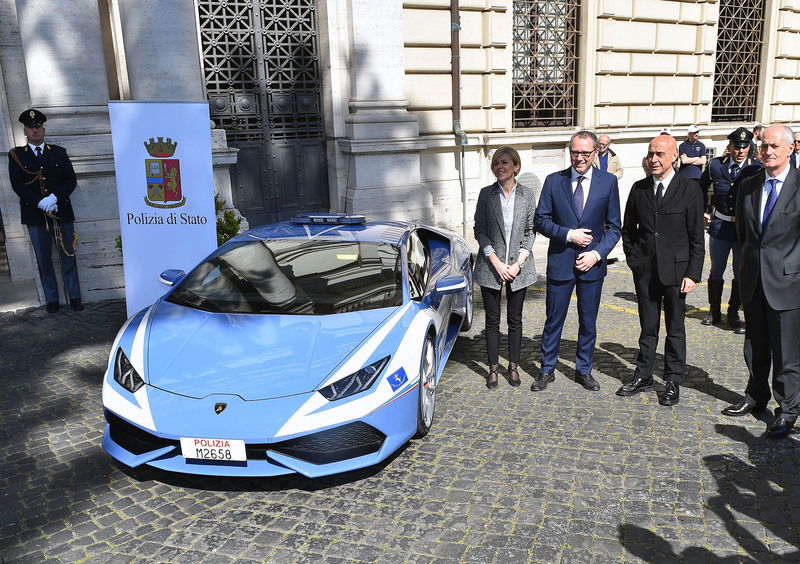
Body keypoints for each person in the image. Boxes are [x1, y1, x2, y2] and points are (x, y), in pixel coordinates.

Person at [722, 125, 800, 438]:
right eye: (763, 146)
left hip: (788, 284)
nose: (767, 152)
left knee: (787, 354)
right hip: (753, 279)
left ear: (791, 148)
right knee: (754, 347)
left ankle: (788, 409)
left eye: (773, 147)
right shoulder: (749, 185)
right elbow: (745, 236)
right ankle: (756, 396)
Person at [617, 134, 705, 406]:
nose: (653, 159)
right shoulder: (639, 188)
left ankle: (672, 380)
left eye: (660, 154)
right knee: (648, 327)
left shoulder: (689, 189)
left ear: (674, 157)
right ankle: (643, 375)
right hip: (646, 272)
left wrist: (692, 273)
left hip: (677, 273)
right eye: (650, 154)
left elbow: (696, 238)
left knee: (675, 329)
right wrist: (635, 261)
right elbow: (628, 230)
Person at [533, 131, 621, 392]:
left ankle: (584, 369)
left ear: (596, 152)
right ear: (569, 152)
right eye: (575, 152)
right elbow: (541, 221)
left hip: (591, 265)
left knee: (588, 320)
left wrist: (596, 254)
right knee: (553, 319)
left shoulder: (608, 182)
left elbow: (614, 227)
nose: (579, 158)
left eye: (585, 152)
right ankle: (547, 370)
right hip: (561, 261)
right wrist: (568, 234)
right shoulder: (553, 181)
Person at [473, 147, 537, 388]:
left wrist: (518, 263)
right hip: (492, 266)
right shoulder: (486, 194)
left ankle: (513, 366)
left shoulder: (527, 195)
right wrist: (496, 262)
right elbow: (479, 229)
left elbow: (531, 231)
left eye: (505, 163)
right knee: (492, 321)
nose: (500, 166)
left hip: (519, 268)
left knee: (515, 319)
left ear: (516, 167)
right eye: (497, 163)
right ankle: (492, 369)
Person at [8, 109, 83, 313]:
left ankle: (74, 296)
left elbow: (70, 180)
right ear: (24, 131)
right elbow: (18, 185)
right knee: (43, 258)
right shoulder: (16, 156)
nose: (35, 130)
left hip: (61, 211)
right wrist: (39, 202)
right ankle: (52, 299)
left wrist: (54, 197)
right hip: (35, 215)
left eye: (38, 127)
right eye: (31, 127)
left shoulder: (58, 152)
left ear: (44, 129)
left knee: (68, 254)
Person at [698, 127, 763, 335]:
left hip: (743, 229)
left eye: (745, 147)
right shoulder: (715, 165)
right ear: (731, 147)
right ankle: (714, 311)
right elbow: (700, 187)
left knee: (739, 272)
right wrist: (703, 211)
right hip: (720, 226)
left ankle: (733, 312)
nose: (741, 152)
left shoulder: (757, 168)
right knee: (716, 270)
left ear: (749, 148)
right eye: (737, 147)